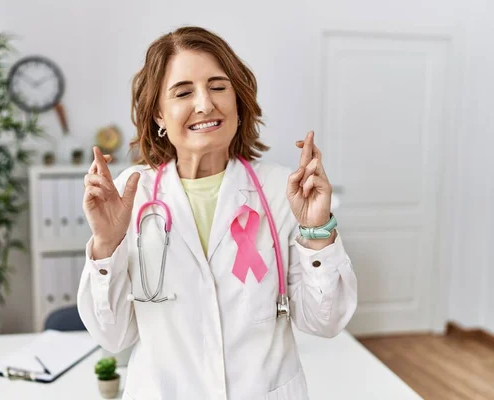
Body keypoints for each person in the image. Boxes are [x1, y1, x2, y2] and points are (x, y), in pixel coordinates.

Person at [77, 26, 357, 400]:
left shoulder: (280, 191)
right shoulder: (133, 193)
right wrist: (107, 244)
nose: (205, 104)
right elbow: (113, 336)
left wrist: (317, 230)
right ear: (159, 114)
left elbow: (325, 322)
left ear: (238, 101)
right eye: (183, 92)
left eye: (218, 87)